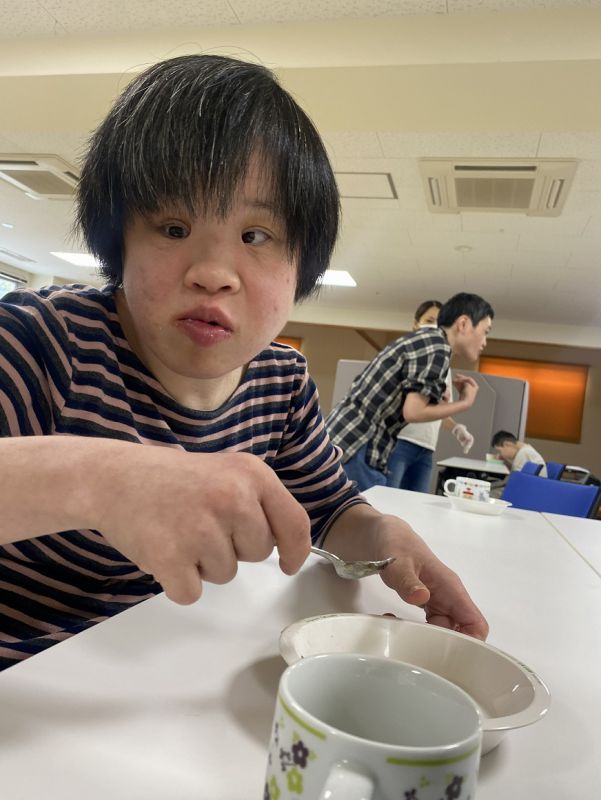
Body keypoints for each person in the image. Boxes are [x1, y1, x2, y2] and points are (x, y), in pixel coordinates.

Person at [0, 55, 488, 671]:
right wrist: (100, 480)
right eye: (173, 228)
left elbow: (328, 507)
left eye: (256, 236)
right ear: (117, 240)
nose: (212, 273)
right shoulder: (42, 341)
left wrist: (379, 535)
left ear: (302, 266)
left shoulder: (281, 383)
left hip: (156, 673)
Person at [326, 293, 493, 492]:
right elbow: (413, 412)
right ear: (463, 324)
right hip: (359, 443)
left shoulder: (428, 342)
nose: (485, 342)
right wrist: (465, 403)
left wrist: (441, 405)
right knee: (365, 510)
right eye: (485, 332)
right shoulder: (437, 348)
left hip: (353, 439)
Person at [387, 300, 475, 493]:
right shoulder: (413, 356)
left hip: (426, 449)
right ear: (415, 324)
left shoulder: (443, 365)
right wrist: (465, 403)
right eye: (429, 320)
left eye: (439, 322)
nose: (434, 326)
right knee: (386, 499)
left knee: (416, 504)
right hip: (401, 441)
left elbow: (436, 411)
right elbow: (412, 408)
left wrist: (457, 429)